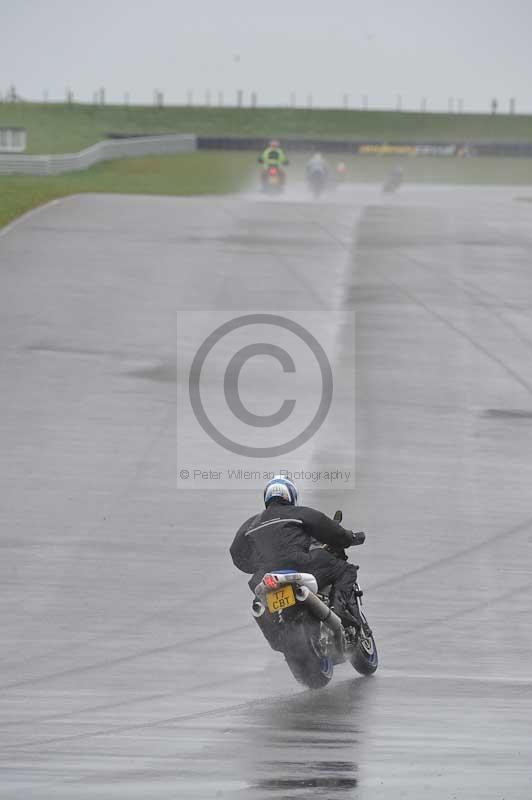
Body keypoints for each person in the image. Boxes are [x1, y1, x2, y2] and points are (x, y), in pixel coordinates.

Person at [230, 475, 367, 641]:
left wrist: (258, 565)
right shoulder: (298, 513)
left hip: (264, 576)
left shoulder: (250, 524)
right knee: (346, 569)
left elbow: (236, 553)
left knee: (260, 604)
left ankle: (275, 629)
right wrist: (350, 537)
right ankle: (339, 607)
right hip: (300, 564)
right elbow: (331, 530)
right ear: (291, 495)